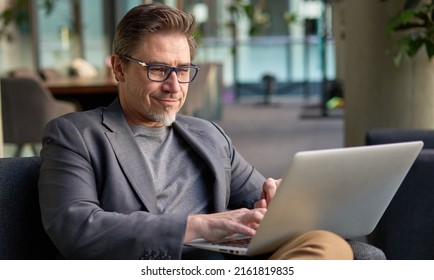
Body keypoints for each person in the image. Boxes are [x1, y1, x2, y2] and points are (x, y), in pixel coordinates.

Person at [38, 3, 383, 260]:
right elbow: (77, 227)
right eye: (157, 69)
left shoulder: (208, 135)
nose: (174, 86)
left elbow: (257, 204)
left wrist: (279, 200)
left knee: (329, 245)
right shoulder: (76, 135)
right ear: (119, 68)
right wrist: (202, 226)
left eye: (183, 69)